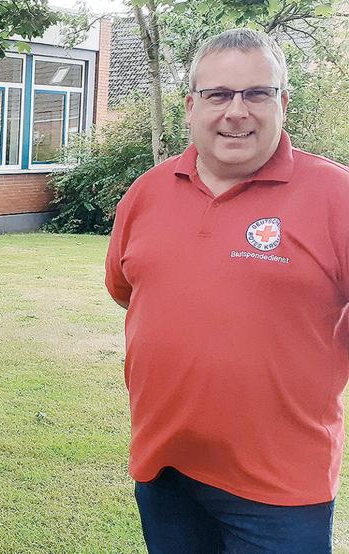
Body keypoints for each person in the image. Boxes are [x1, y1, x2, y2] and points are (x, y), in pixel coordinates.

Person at [105, 28, 349, 553]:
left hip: (282, 489)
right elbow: (129, 291)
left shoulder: (336, 195)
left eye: (256, 93)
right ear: (191, 105)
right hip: (164, 467)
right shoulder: (147, 192)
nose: (236, 111)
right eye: (219, 94)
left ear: (283, 102)